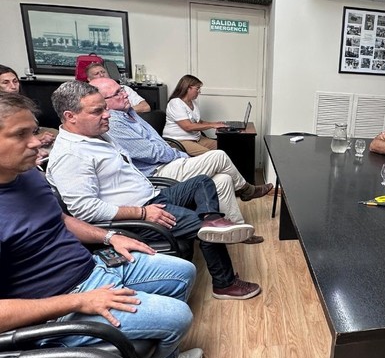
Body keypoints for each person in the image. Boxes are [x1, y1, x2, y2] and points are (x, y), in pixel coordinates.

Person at [0, 91, 202, 358]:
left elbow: (61, 218)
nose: (37, 142)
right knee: (179, 316)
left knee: (184, 272)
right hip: (60, 305)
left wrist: (109, 236)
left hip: (91, 266)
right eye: (20, 135)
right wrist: (78, 302)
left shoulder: (26, 175)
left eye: (34, 131)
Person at [46, 80, 262, 301]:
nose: (107, 114)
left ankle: (213, 220)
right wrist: (142, 213)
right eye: (97, 111)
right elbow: (85, 210)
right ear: (70, 116)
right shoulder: (71, 155)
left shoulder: (98, 135)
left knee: (202, 182)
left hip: (152, 196)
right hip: (137, 215)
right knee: (204, 227)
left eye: (105, 108)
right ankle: (224, 283)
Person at [90, 77, 272, 243]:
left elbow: (158, 143)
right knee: (219, 156)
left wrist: (174, 152)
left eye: (122, 89)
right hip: (158, 171)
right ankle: (247, 190)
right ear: (103, 102)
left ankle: (235, 229)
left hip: (169, 159)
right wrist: (178, 154)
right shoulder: (114, 123)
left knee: (223, 179)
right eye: (118, 93)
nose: (125, 94)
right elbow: (152, 152)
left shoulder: (130, 112)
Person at [0, 64, 57, 161]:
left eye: (15, 81)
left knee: (57, 134)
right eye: (6, 83)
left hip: (34, 132)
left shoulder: (22, 101)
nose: (13, 86)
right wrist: (38, 138)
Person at [162, 74, 227, 156]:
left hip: (197, 139)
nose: (199, 91)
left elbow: (199, 122)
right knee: (213, 156)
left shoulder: (193, 102)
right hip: (180, 141)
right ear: (188, 88)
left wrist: (215, 123)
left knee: (225, 147)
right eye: (197, 88)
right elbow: (188, 126)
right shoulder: (175, 103)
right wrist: (212, 125)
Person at [85, 62, 151, 113]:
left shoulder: (124, 88)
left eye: (103, 72)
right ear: (89, 79)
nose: (102, 75)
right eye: (97, 74)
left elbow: (146, 107)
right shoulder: (89, 95)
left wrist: (126, 111)